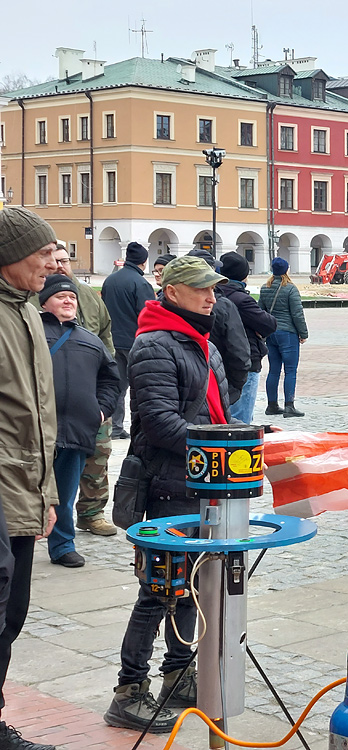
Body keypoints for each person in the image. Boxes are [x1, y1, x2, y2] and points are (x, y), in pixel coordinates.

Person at [104, 255, 232, 733]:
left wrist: (248, 437)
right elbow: (160, 424)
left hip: (203, 484)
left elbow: (215, 412)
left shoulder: (202, 343)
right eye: (202, 290)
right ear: (172, 291)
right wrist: (222, 446)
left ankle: (178, 676)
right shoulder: (155, 343)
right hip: (166, 486)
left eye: (214, 290)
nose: (211, 297)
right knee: (158, 593)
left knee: (193, 591)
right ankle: (129, 690)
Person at [0, 205, 59, 750]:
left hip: (24, 488)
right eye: (44, 253)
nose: (55, 261)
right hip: (1, 489)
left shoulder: (25, 311)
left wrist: (48, 493)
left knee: (11, 615)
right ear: (10, 257)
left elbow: (36, 412)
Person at [31, 242, 120, 536]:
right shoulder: (31, 306)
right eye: (54, 260)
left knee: (95, 462)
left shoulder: (90, 300)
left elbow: (106, 343)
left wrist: (101, 406)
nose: (60, 265)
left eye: (65, 260)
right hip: (43, 416)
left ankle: (90, 513)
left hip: (86, 407)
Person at [101, 241, 155, 439]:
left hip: (113, 340)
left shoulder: (110, 280)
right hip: (135, 342)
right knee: (143, 387)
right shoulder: (141, 284)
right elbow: (147, 314)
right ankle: (141, 428)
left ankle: (115, 427)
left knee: (118, 386)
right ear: (144, 262)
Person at [216, 251, 277, 423]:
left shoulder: (217, 294)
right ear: (244, 275)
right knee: (240, 419)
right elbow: (269, 324)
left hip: (221, 363)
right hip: (245, 362)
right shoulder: (241, 299)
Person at [186, 250, 251, 405]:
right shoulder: (224, 305)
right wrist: (231, 389)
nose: (211, 299)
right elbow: (240, 354)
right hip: (217, 387)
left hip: (214, 387)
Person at [259, 257, 309, 418]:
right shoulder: (291, 289)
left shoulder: (264, 288)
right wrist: (303, 334)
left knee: (273, 370)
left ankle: (272, 405)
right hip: (288, 334)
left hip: (271, 334)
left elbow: (260, 311)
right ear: (286, 270)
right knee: (290, 371)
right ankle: (289, 406)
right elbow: (297, 314)